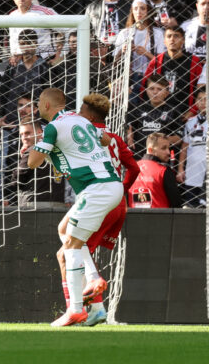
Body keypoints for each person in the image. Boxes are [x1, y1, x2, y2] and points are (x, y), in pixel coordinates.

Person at [27, 87, 121, 327]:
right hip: (110, 186)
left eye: (38, 103)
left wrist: (42, 147)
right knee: (64, 230)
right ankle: (94, 297)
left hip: (96, 189)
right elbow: (105, 139)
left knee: (70, 246)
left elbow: (32, 163)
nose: (37, 107)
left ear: (46, 105)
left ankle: (76, 309)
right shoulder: (81, 120)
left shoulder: (53, 128)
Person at [57, 93, 137, 326]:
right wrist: (122, 190)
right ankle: (95, 308)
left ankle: (83, 309)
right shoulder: (115, 138)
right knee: (73, 244)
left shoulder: (82, 135)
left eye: (81, 111)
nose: (77, 114)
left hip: (99, 197)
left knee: (69, 252)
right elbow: (134, 168)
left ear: (90, 116)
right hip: (116, 200)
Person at [127, 132, 184, 209]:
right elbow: (176, 204)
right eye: (163, 148)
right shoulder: (164, 171)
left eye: (168, 148)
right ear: (150, 150)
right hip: (160, 216)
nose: (168, 152)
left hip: (133, 215)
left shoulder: (131, 169)